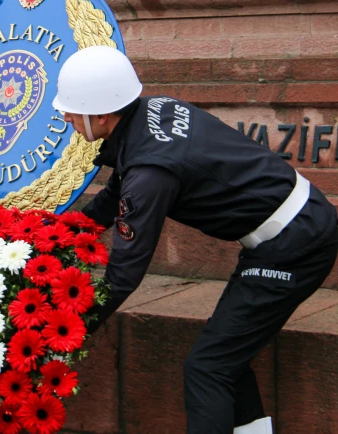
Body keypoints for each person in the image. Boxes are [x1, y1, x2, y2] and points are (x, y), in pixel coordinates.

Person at [53, 45, 338, 434]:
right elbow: (110, 199)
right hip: (293, 228)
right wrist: (48, 238)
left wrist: (68, 332)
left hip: (295, 245)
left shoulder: (150, 171)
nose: (66, 116)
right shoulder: (153, 111)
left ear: (101, 114)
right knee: (224, 359)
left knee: (209, 367)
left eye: (71, 109)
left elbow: (124, 275)